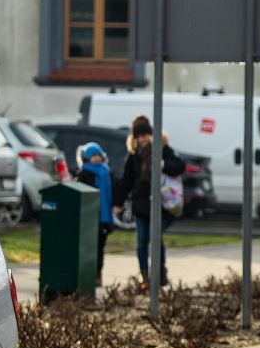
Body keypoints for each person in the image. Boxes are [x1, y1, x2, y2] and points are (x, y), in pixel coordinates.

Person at [113, 115, 184, 291]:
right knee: (141, 241)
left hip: (161, 205)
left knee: (155, 237)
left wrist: (163, 164)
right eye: (138, 136)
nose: (141, 139)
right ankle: (145, 276)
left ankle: (159, 273)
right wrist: (118, 203)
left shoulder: (162, 149)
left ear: (151, 134)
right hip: (140, 205)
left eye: (144, 135)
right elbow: (126, 180)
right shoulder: (134, 155)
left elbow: (180, 166)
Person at [75, 142, 115, 288]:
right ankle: (88, 274)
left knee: (100, 247)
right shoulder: (83, 173)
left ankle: (98, 274)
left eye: (98, 155)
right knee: (89, 247)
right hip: (90, 216)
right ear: (86, 158)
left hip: (104, 217)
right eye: (93, 156)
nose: (96, 158)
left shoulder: (106, 171)